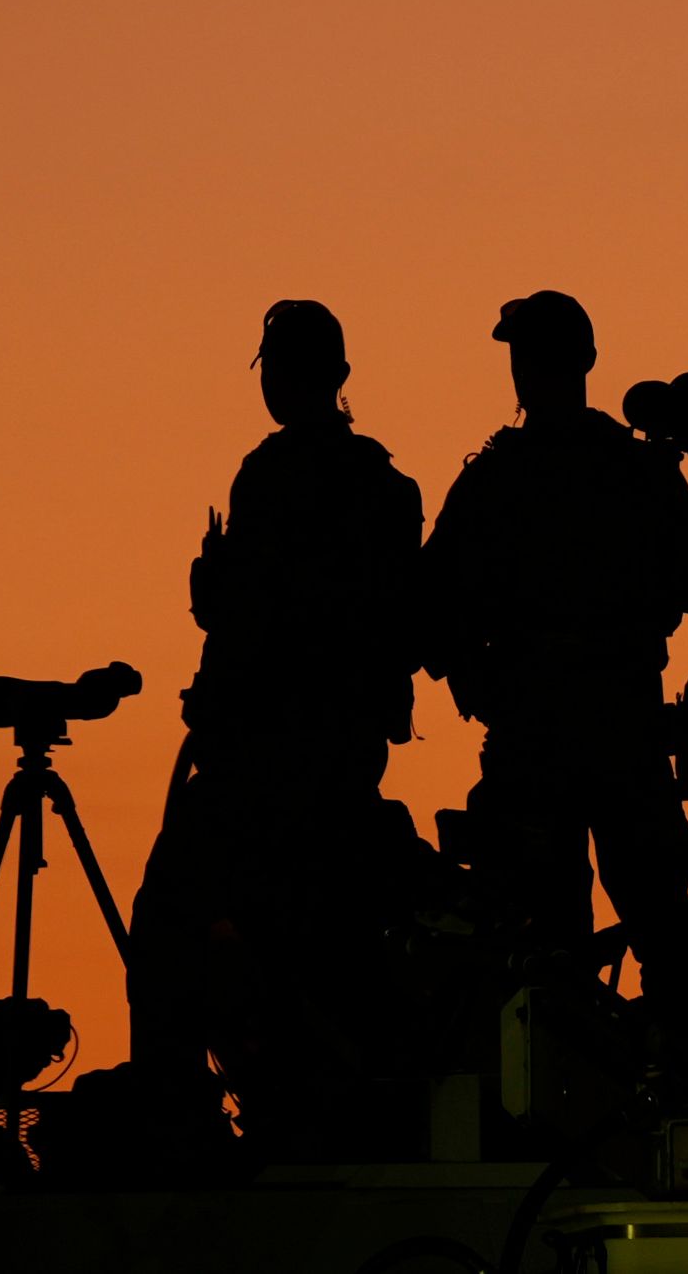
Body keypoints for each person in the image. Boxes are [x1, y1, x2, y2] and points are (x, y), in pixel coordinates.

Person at [125, 299, 425, 1144]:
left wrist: (218, 609)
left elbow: (265, 620)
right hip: (339, 760)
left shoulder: (275, 477)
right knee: (313, 944)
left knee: (169, 927)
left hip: (268, 762)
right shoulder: (384, 487)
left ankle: (174, 1112)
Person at [419, 290, 688, 1065]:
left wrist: (474, 672)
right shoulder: (614, 470)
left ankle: (632, 1081)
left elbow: (432, 602)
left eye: (534, 356)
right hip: (580, 734)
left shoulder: (516, 477)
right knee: (578, 932)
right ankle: (640, 1078)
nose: (527, 372)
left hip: (572, 736)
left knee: (594, 929)